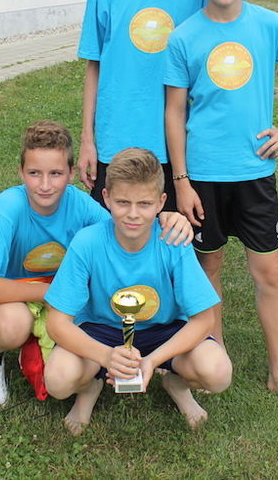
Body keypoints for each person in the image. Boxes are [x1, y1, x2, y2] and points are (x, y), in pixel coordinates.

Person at [163, 0, 278, 413]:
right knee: (208, 267)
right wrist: (181, 181)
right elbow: (174, 112)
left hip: (254, 174)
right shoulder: (184, 36)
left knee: (269, 273)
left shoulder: (269, 25)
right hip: (202, 179)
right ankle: (215, 357)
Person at [0, 121, 192, 406]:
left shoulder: (79, 204)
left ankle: (49, 352)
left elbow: (123, 226)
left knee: (78, 323)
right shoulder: (7, 209)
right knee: (14, 325)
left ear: (71, 174)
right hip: (4, 289)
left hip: (56, 286)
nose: (45, 185)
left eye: (55, 174)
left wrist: (164, 218)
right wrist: (51, 294)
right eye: (34, 173)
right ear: (21, 172)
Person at [44, 148, 231, 435]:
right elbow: (57, 323)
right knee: (58, 381)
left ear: (161, 202)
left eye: (144, 204)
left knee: (218, 372)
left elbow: (204, 320)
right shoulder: (87, 242)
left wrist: (153, 360)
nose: (133, 214)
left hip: (163, 331)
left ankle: (176, 383)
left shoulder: (173, 240)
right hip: (101, 330)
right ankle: (90, 386)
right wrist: (106, 357)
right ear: (106, 198)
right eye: (123, 202)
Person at [77, 0, 204, 211]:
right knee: (111, 235)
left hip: (175, 146)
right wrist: (87, 139)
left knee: (172, 236)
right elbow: (94, 66)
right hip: (115, 141)